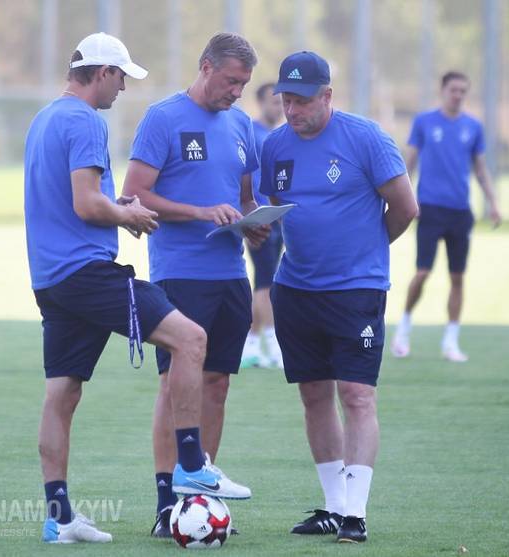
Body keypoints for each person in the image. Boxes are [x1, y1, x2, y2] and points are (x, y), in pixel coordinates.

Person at [24, 32, 250, 545]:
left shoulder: (45, 119)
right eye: (121, 77)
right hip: (87, 272)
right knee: (191, 339)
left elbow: (70, 199)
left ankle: (59, 518)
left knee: (62, 393)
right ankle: (191, 465)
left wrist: (120, 210)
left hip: (50, 278)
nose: (123, 88)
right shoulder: (86, 120)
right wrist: (127, 215)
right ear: (102, 72)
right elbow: (87, 203)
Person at [260, 51, 419, 544]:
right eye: (286, 100)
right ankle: (332, 506)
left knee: (356, 395)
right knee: (313, 395)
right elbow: (275, 207)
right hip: (296, 289)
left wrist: (366, 249)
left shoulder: (366, 138)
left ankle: (356, 512)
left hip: (356, 290)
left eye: (302, 101)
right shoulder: (274, 146)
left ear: (327, 95)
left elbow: (405, 207)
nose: (292, 110)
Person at [122, 32, 266, 538]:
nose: (237, 92)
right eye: (231, 81)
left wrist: (254, 222)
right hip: (180, 272)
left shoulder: (242, 124)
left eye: (244, 84)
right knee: (173, 386)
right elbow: (134, 195)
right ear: (206, 67)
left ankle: (200, 501)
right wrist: (200, 212)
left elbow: (244, 199)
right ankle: (167, 506)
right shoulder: (163, 118)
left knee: (217, 384)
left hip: (232, 274)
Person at [390, 71, 502, 362]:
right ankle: (403, 330)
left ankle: (451, 341)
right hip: (430, 208)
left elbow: (480, 168)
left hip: (460, 212)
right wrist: (404, 198)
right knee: (422, 273)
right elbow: (409, 164)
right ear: (443, 91)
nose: (458, 95)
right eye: (454, 90)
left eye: (463, 90)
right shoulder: (424, 122)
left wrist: (493, 202)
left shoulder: (473, 127)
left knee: (457, 277)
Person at [240, 82, 285, 369]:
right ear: (260, 103)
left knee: (266, 281)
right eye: (274, 102)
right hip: (260, 217)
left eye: (282, 102)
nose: (280, 108)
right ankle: (274, 346)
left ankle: (252, 345)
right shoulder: (252, 134)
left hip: (278, 217)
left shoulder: (279, 136)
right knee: (266, 283)